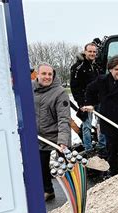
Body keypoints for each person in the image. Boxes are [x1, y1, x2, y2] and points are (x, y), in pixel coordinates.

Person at [82, 55, 118, 176]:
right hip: (109, 124)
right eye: (117, 70)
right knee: (111, 153)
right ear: (110, 69)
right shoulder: (102, 81)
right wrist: (90, 104)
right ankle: (112, 174)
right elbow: (89, 89)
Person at [33, 63, 71, 201]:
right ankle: (48, 191)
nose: (47, 77)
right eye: (44, 74)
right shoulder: (30, 88)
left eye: (50, 74)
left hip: (57, 134)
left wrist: (62, 141)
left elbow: (63, 119)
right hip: (40, 136)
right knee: (42, 165)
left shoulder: (59, 92)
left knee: (65, 164)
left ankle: (71, 191)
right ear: (37, 74)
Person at [70, 42, 105, 156]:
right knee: (87, 125)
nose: (92, 54)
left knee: (103, 122)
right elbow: (75, 87)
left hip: (99, 100)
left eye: (94, 52)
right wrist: (81, 103)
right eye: (90, 51)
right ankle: (89, 149)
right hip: (86, 101)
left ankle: (102, 145)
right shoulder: (77, 68)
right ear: (85, 52)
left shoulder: (97, 66)